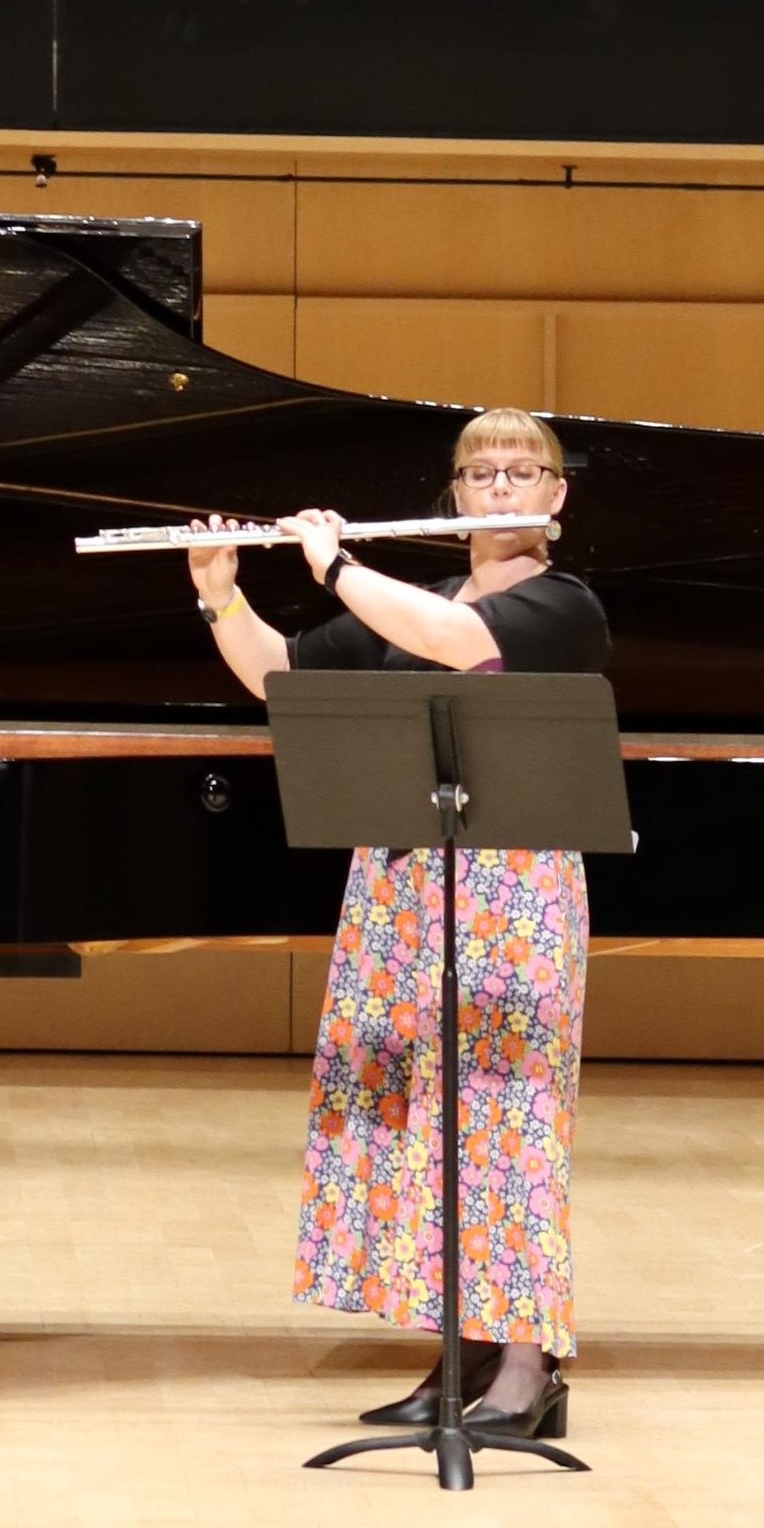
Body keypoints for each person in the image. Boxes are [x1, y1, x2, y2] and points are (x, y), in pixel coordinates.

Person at [187, 406, 607, 1443]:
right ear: (454, 497)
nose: (500, 487)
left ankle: (525, 1368)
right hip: (403, 889)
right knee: (422, 1127)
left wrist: (333, 569)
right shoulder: (405, 599)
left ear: (555, 496)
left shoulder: (564, 603)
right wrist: (220, 594)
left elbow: (460, 645)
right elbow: (279, 673)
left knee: (503, 1127)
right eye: (479, 473)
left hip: (509, 895)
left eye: (522, 471)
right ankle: (456, 1351)